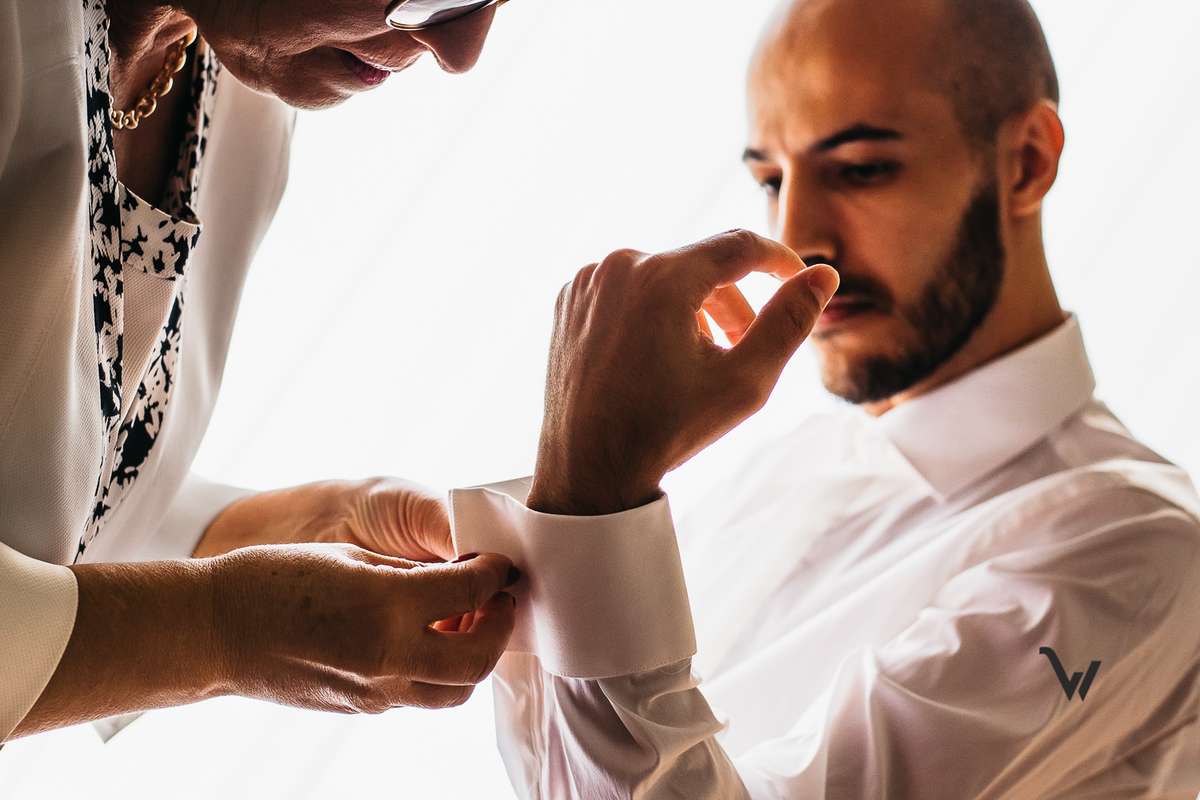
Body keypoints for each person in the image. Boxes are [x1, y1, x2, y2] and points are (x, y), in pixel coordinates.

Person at [450, 0, 1200, 796]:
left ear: (1025, 162)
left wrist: (593, 500)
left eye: (862, 168)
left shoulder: (1135, 556)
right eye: (771, 179)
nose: (797, 234)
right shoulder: (784, 469)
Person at [0, 0, 520, 743]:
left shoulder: (233, 83)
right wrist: (224, 631)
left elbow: (51, 511)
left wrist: (305, 526)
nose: (462, 48)